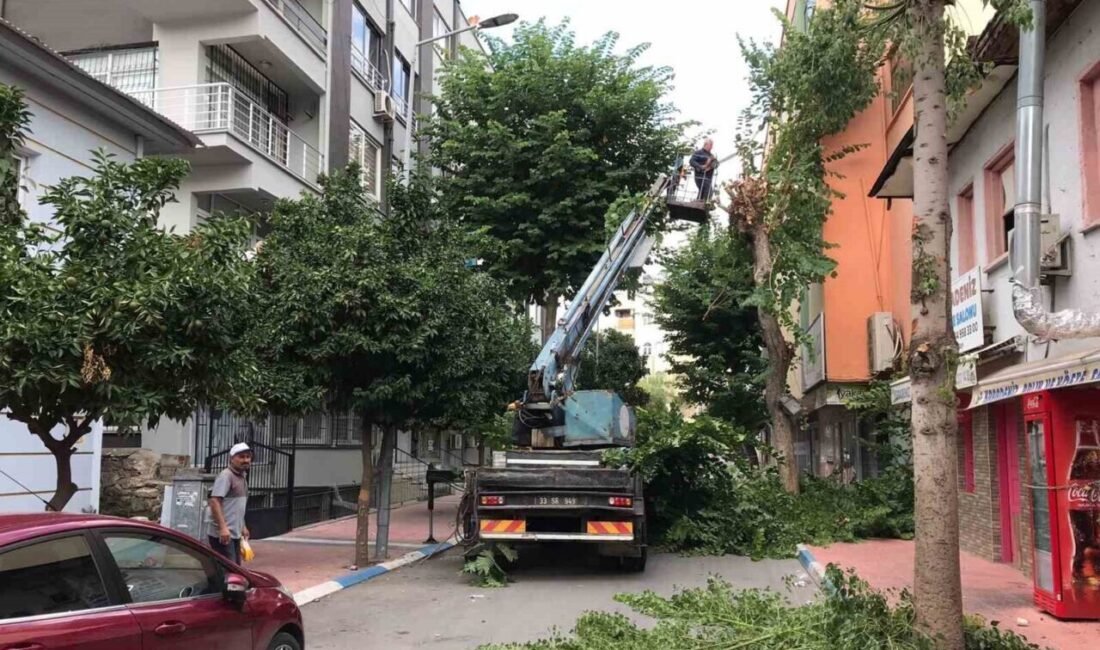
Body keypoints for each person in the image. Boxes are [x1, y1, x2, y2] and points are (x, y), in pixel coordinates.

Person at [206, 442, 251, 563]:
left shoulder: (242, 477)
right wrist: (223, 528)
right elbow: (215, 501)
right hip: (223, 535)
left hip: (234, 533)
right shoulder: (226, 476)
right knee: (228, 569)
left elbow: (237, 507)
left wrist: (243, 527)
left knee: (235, 567)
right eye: (241, 457)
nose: (245, 460)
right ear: (231, 459)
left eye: (248, 457)